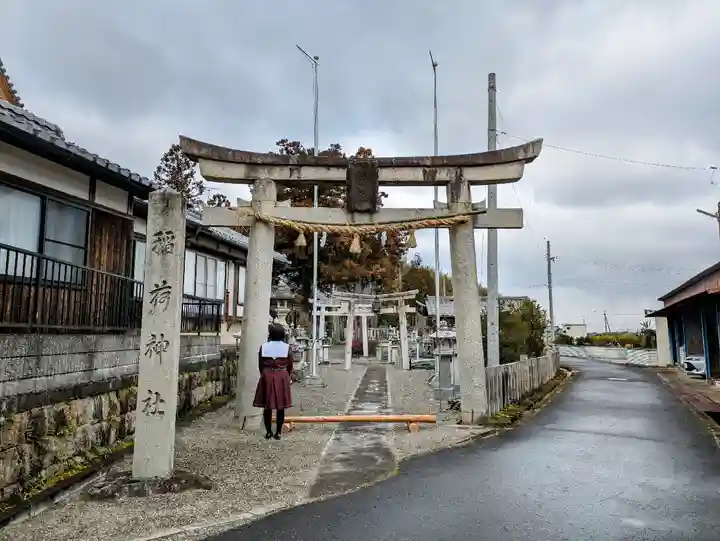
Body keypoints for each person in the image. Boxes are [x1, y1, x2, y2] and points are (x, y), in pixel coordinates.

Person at [253, 323, 294, 440]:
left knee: (267, 406)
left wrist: (265, 374)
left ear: (270, 334)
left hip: (267, 374)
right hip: (281, 375)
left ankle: (268, 432)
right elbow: (290, 364)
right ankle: (278, 433)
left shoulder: (264, 347)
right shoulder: (286, 348)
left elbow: (260, 364)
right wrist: (288, 375)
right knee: (281, 406)